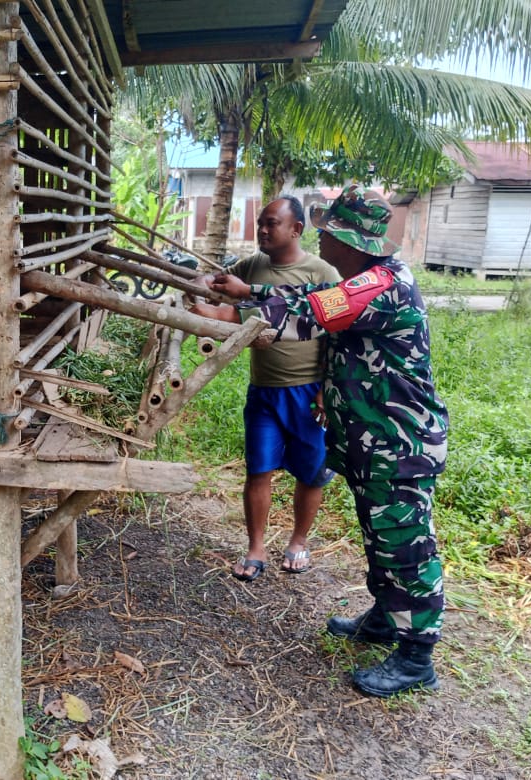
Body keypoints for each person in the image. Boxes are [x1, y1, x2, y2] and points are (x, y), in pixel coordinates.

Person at [189, 185, 449, 698]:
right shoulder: (363, 281)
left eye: (329, 234)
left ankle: (417, 657)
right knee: (379, 537)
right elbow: (306, 300)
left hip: (400, 445)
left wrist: (232, 308)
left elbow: (305, 313)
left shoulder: (378, 286)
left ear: (351, 242)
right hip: (374, 442)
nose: (323, 242)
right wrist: (247, 292)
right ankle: (385, 617)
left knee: (407, 546)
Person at [213, 196, 341, 582]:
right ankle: (256, 548)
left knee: (311, 472)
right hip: (265, 390)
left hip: (309, 392)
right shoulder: (252, 265)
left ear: (296, 229)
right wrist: (200, 282)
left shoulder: (321, 272)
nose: (263, 230)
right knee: (259, 469)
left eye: (272, 223)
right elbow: (217, 283)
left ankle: (298, 541)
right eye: (260, 224)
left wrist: (328, 387)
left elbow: (340, 333)